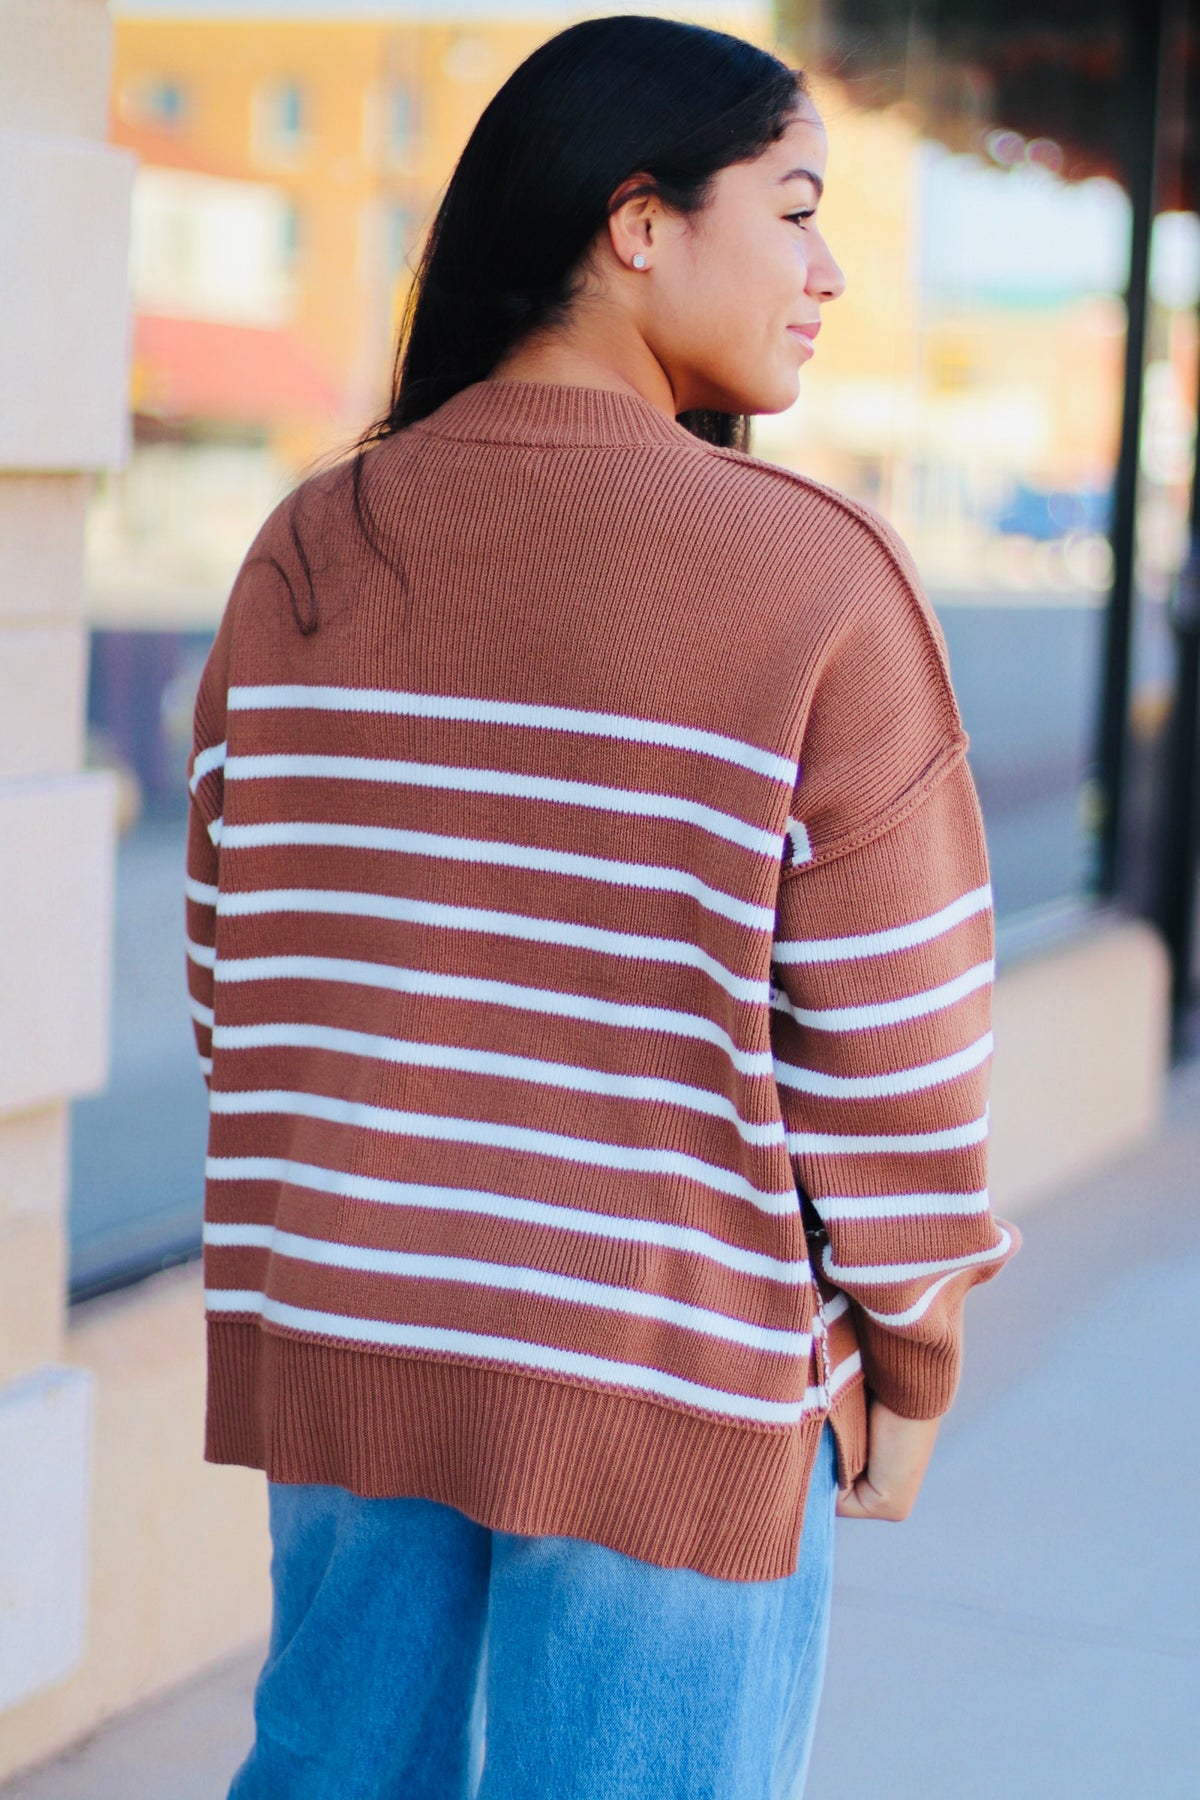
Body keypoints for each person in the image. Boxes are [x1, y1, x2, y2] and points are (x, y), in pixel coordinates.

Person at [184, 14, 1021, 1797]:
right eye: (794, 211)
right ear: (637, 224)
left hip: (354, 1316)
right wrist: (913, 1354)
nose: (832, 269)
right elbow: (905, 1049)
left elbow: (232, 971)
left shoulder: (311, 550)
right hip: (665, 1365)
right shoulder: (812, 574)